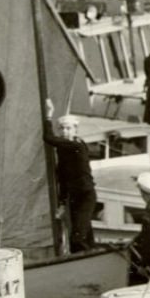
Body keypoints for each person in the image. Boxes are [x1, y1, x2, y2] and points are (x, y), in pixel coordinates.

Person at [43, 103, 97, 253]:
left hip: (86, 196)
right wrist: (61, 203)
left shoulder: (77, 146)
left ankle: (82, 265)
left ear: (75, 130)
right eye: (62, 129)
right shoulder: (63, 149)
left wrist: (48, 115)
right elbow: (64, 177)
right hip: (74, 198)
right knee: (85, 236)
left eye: (68, 128)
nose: (65, 132)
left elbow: (48, 137)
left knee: (77, 238)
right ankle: (91, 261)